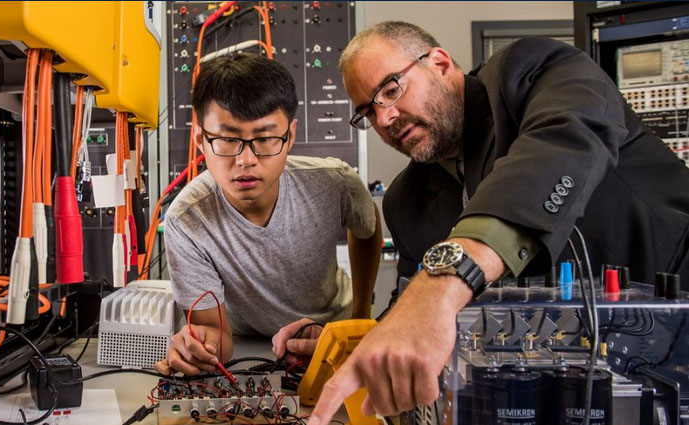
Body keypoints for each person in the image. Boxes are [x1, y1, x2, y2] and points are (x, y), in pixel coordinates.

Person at [307, 22, 689, 425]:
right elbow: (414, 309)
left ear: (438, 62)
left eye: (390, 89)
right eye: (368, 111)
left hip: (674, 345)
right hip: (567, 392)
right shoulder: (407, 202)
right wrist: (357, 341)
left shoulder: (530, 72)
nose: (385, 118)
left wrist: (448, 277)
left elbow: (562, 144)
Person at [153, 53, 383, 376]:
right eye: (228, 140)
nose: (246, 159)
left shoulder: (335, 184)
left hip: (332, 332)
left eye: (264, 139)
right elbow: (217, 335)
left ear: (289, 136)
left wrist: (361, 315)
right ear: (200, 139)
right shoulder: (188, 220)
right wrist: (200, 346)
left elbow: (368, 223)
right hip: (249, 345)